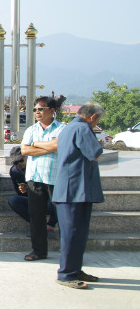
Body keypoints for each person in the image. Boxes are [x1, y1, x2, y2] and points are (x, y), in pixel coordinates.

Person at [52, 102, 105, 289]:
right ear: (92, 117)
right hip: (74, 190)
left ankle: (74, 269)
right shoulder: (82, 128)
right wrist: (100, 143)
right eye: (98, 120)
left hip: (73, 190)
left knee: (77, 234)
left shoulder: (69, 128)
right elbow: (95, 154)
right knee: (73, 234)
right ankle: (66, 274)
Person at [20, 96, 65, 261]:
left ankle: (67, 252)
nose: (37, 112)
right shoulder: (31, 130)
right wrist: (49, 147)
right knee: (36, 216)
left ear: (52, 111)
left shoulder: (62, 129)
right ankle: (38, 250)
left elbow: (59, 145)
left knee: (63, 215)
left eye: (41, 109)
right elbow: (24, 150)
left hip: (55, 178)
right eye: (35, 109)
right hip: (35, 178)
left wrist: (36, 145)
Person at [7, 146, 58, 235]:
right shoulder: (15, 171)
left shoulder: (38, 166)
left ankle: (50, 225)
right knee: (13, 200)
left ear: (28, 157)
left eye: (20, 160)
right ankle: (37, 224)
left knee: (55, 200)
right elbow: (20, 193)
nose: (19, 164)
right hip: (33, 200)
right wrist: (23, 191)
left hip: (47, 199)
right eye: (15, 162)